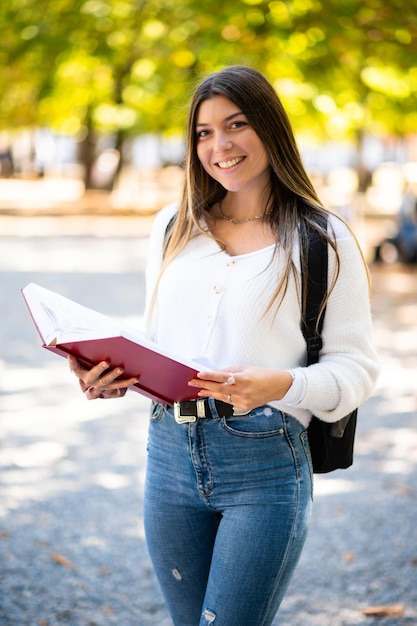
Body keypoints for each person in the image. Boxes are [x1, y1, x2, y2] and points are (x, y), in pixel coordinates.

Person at [68, 66, 380, 626]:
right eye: (204, 133)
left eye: (236, 125)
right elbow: (158, 344)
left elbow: (357, 367)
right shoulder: (172, 228)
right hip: (167, 455)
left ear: (269, 128)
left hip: (265, 458)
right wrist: (113, 375)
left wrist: (282, 384)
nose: (220, 145)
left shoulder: (322, 238)